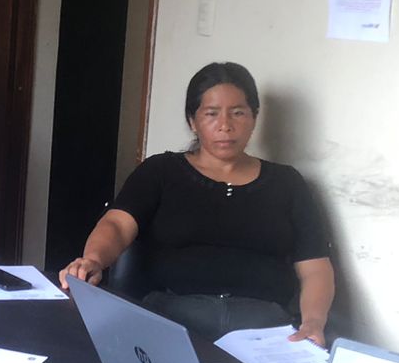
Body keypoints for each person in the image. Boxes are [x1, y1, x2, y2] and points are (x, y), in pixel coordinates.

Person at [61, 62, 335, 347]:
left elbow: (315, 266)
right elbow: (117, 224)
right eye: (211, 113)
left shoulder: (287, 182)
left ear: (254, 117)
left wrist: (313, 322)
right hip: (172, 316)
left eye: (238, 113)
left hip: (264, 325)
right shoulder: (162, 171)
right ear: (193, 121)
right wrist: (93, 260)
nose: (225, 125)